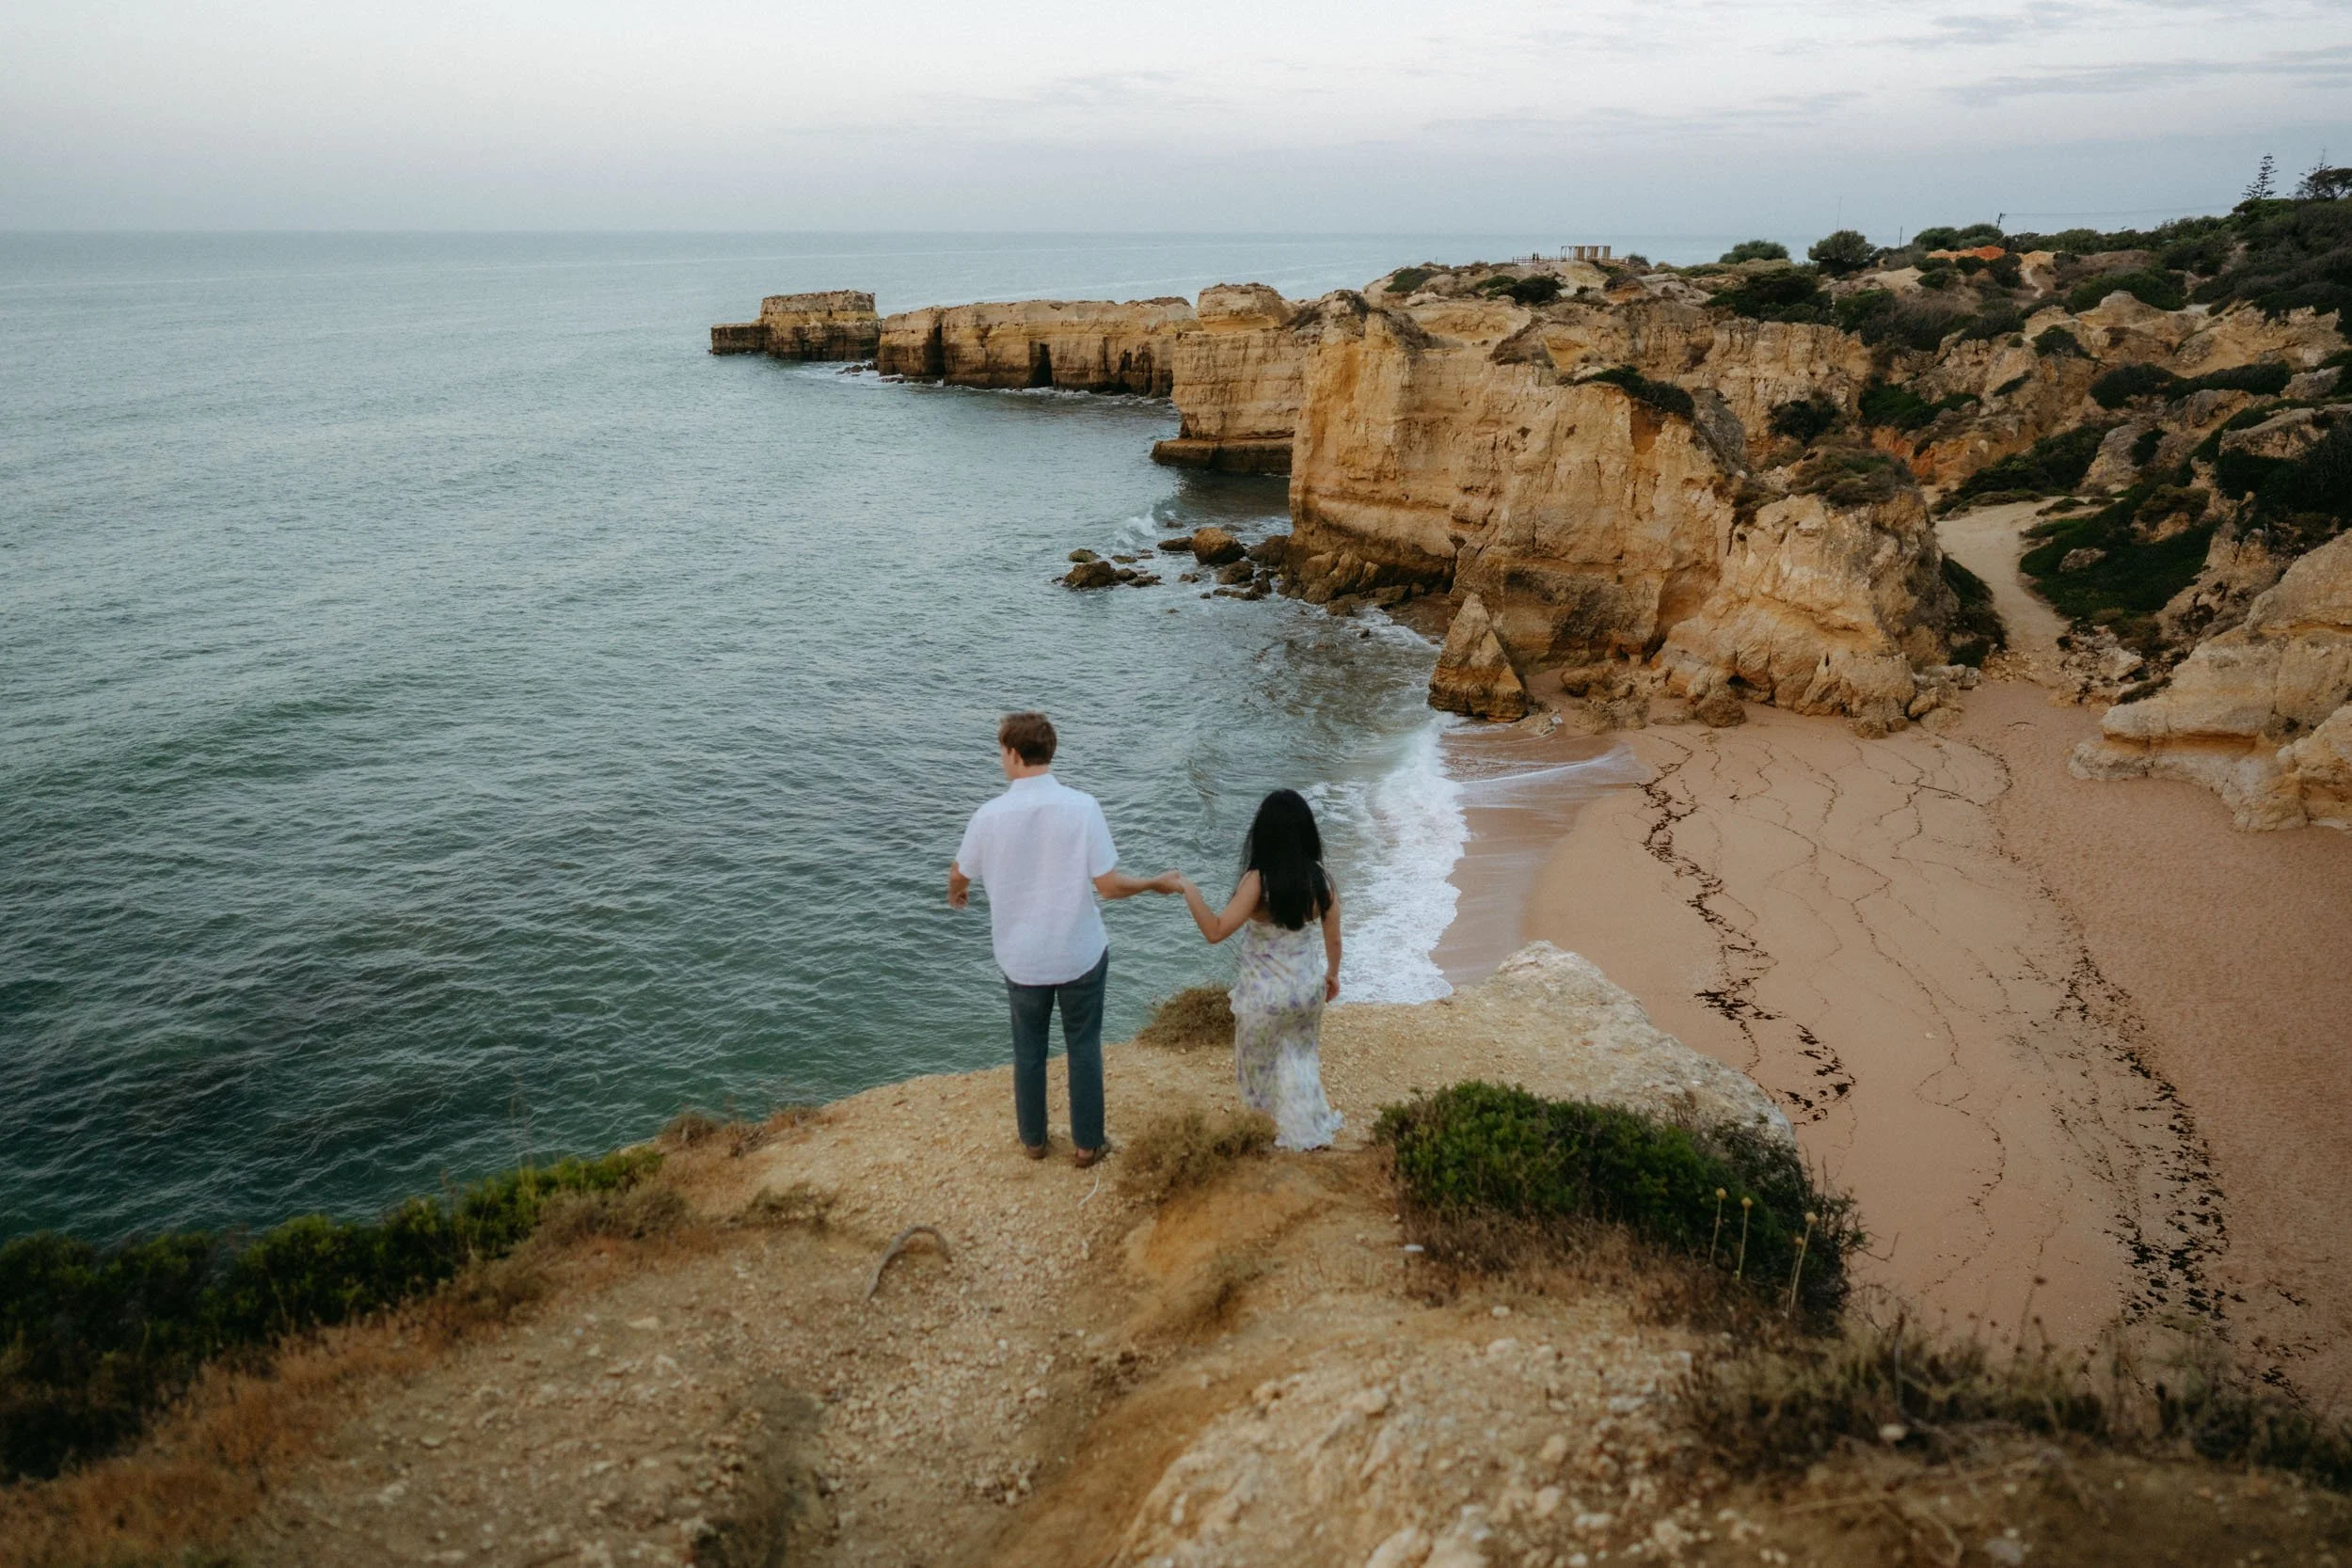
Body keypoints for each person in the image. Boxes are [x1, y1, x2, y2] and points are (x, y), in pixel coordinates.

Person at [948, 711, 1180, 1166]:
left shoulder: (989, 815)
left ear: (1014, 754)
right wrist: (1155, 883)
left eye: (1001, 753)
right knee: (1083, 1045)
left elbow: (959, 874)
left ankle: (1034, 1142)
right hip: (1079, 953)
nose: (1001, 760)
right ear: (1048, 753)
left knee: (1029, 1049)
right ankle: (1087, 1145)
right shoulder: (1083, 807)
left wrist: (959, 894)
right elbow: (1109, 888)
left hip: (1022, 960)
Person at [1175, 789, 1345, 1151]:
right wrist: (1332, 975)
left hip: (1263, 997)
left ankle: (1267, 1135)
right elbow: (1335, 942)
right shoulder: (1322, 882)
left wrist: (1188, 890)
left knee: (1257, 1068)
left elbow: (1216, 931)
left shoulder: (1257, 881)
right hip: (1306, 991)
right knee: (1300, 1059)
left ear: (1263, 834)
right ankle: (1308, 1131)